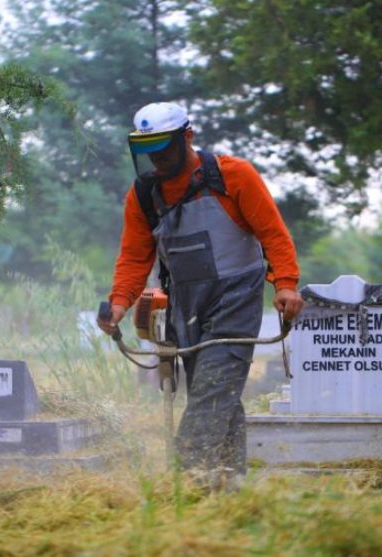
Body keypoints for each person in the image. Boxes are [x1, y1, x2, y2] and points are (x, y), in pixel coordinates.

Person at [97, 101, 305, 479]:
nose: (156, 159)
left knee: (211, 391)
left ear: (187, 137)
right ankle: (227, 484)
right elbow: (133, 256)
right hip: (185, 306)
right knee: (215, 394)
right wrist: (118, 304)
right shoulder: (144, 194)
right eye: (147, 151)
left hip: (234, 301)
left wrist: (286, 284)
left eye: (164, 148)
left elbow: (273, 234)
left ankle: (185, 484)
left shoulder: (233, 176)